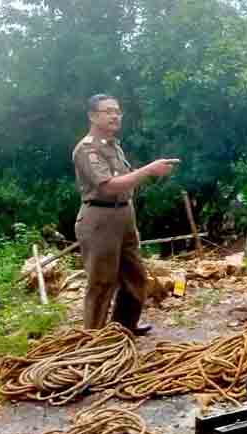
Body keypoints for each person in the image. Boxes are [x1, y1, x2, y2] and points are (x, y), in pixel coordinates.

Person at [72, 94, 180, 334]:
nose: (115, 116)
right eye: (108, 111)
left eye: (117, 111)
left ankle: (123, 328)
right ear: (92, 116)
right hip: (100, 218)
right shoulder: (87, 149)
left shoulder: (114, 146)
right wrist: (149, 170)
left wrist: (153, 171)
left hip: (124, 215)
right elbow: (109, 186)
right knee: (102, 282)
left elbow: (125, 180)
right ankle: (94, 338)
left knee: (136, 276)